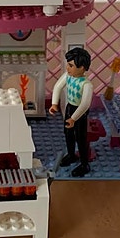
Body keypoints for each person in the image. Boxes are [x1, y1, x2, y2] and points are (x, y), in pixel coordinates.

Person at [49, 47, 93, 177]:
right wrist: (54, 103)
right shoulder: (68, 76)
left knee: (80, 138)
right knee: (68, 134)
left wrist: (74, 118)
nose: (67, 68)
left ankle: (84, 164)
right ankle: (71, 155)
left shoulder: (86, 85)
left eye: (71, 65)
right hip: (70, 108)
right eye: (68, 64)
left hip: (80, 113)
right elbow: (57, 87)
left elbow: (85, 104)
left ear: (82, 67)